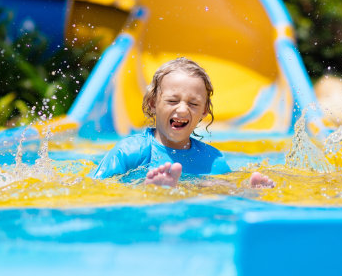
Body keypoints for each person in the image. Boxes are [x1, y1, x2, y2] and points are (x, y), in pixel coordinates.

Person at [90, 57, 275, 188]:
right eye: (172, 101)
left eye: (193, 104)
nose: (182, 109)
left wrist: (245, 192)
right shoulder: (132, 152)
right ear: (153, 104)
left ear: (204, 111)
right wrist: (142, 189)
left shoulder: (213, 161)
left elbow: (223, 199)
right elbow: (95, 189)